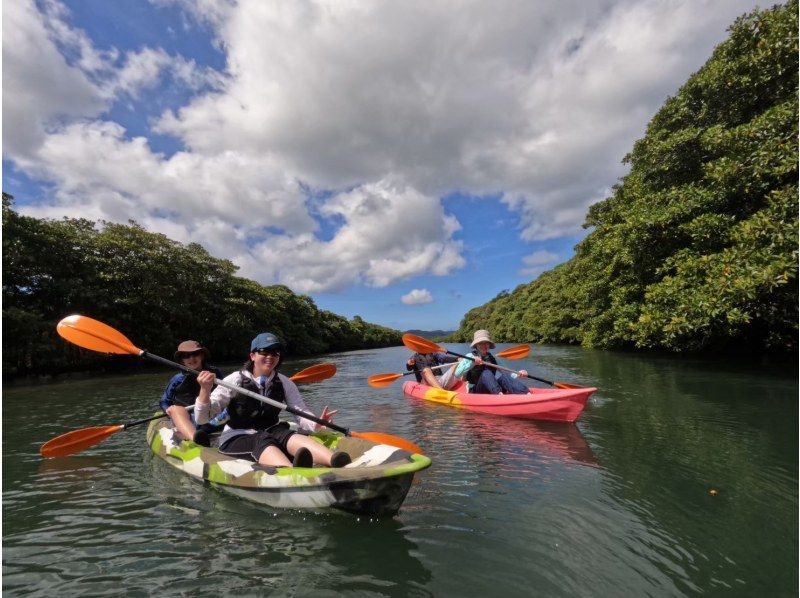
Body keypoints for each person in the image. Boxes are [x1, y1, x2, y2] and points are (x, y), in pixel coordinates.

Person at [194, 332, 350, 468]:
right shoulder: (234, 380)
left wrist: (314, 423)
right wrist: (204, 390)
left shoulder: (284, 382)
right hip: (237, 436)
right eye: (264, 352)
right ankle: (290, 470)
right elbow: (202, 419)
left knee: (288, 435)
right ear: (252, 355)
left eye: (275, 353)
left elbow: (300, 410)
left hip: (272, 430)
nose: (270, 356)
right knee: (261, 439)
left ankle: (335, 460)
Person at [159, 340, 224, 446]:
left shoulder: (214, 373)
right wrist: (168, 411)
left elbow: (226, 393)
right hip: (187, 416)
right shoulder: (177, 379)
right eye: (186, 356)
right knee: (175, 410)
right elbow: (164, 401)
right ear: (182, 360)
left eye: (195, 354)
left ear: (202, 355)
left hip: (210, 414)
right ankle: (195, 437)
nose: (191, 359)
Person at [454, 330, 529, 394]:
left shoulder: (493, 358)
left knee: (504, 377)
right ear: (476, 345)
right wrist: (472, 363)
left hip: (492, 388)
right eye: (481, 343)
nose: (484, 345)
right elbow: (457, 374)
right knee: (486, 373)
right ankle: (499, 396)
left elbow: (506, 373)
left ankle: (526, 393)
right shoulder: (470, 356)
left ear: (489, 345)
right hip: (476, 390)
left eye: (486, 343)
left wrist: (518, 374)